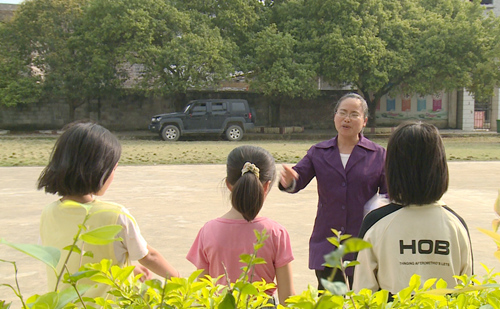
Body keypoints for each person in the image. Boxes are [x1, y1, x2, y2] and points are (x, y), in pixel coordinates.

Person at [38, 122, 178, 297]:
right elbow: (149, 256)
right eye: (113, 168)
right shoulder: (115, 215)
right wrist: (177, 279)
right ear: (98, 170)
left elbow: (78, 260)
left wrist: (128, 268)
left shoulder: (48, 213)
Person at [278, 93, 387, 290]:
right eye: (342, 113)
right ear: (335, 116)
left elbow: (388, 196)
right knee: (330, 300)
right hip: (327, 241)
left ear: (365, 121)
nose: (347, 118)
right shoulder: (319, 152)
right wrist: (289, 181)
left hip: (363, 242)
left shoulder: (378, 155)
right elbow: (298, 179)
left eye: (354, 114)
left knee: (365, 300)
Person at [352, 121, 473, 294]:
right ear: (440, 166)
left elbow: (362, 295)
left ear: (393, 168)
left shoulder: (376, 223)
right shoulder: (455, 225)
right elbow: (468, 294)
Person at [187, 145, 295, 305]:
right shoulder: (276, 233)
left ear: (229, 185)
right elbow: (288, 299)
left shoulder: (208, 231)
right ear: (266, 186)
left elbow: (201, 293)